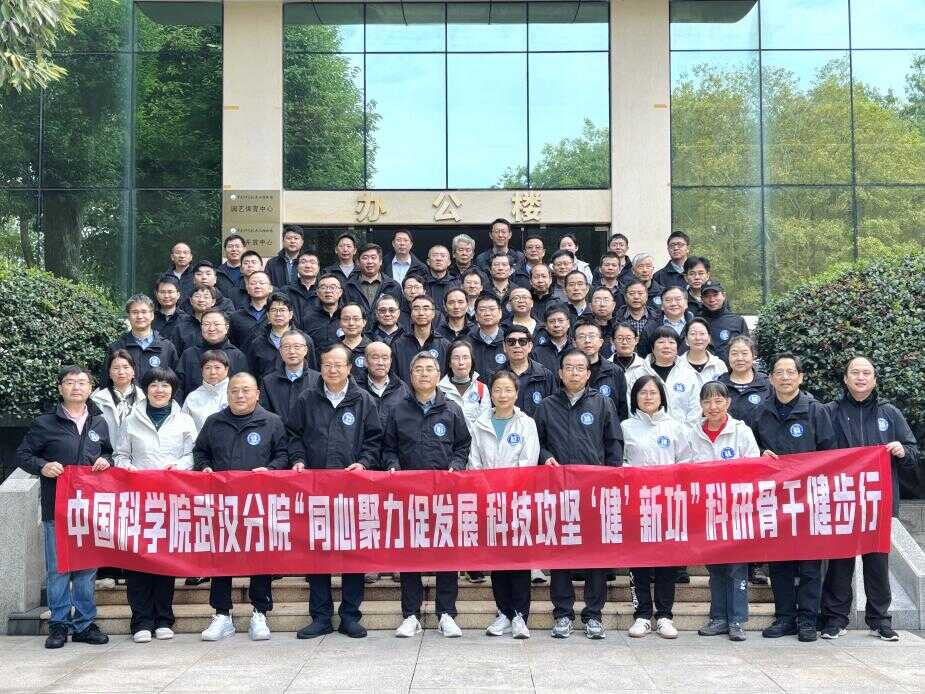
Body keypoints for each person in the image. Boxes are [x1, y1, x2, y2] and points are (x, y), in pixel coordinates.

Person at [287, 343, 384, 639]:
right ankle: (320, 616)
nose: (332, 370)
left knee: (353, 552)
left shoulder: (363, 399)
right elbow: (293, 435)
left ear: (349, 368)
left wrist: (364, 462)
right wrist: (298, 459)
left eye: (338, 365)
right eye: (327, 364)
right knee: (317, 552)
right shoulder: (307, 398)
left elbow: (375, 439)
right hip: (315, 488)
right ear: (320, 366)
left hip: (352, 489)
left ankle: (350, 615)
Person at [819, 356, 919, 642]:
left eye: (866, 373)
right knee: (840, 562)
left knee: (877, 562)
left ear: (874, 379)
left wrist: (902, 450)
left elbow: (913, 452)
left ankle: (880, 620)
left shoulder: (890, 413)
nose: (860, 377)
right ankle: (835, 619)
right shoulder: (830, 412)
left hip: (877, 502)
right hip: (842, 499)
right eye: (855, 372)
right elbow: (817, 451)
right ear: (845, 379)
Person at [16, 366, 112, 649]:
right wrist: (42, 466)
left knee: (87, 568)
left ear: (91, 389)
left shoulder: (99, 422)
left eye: (82, 382)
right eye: (70, 382)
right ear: (60, 388)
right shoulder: (45, 423)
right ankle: (58, 624)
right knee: (58, 568)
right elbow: (23, 454)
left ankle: (84, 624)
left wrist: (107, 460)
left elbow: (108, 451)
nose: (76, 387)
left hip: (89, 509)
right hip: (57, 508)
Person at [534, 349, 623, 640]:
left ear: (588, 373)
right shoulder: (546, 406)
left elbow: (613, 444)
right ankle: (563, 613)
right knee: (560, 553)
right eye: (569, 367)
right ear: (560, 373)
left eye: (579, 368)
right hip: (558, 492)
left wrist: (611, 480)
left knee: (595, 554)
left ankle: (593, 614)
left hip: (594, 492)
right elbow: (537, 443)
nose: (574, 372)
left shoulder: (602, 403)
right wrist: (545, 456)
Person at [193, 373, 289, 642]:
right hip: (222, 503)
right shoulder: (214, 422)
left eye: (246, 390)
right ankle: (222, 614)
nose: (240, 395)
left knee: (261, 556)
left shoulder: (271, 421)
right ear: (227, 394)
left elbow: (283, 454)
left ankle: (260, 612)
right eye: (234, 390)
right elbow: (200, 452)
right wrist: (204, 468)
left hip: (259, 502)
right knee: (221, 557)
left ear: (257, 393)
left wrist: (271, 469)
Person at [384, 352, 471, 639]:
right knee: (410, 555)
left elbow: (463, 445)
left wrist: (456, 465)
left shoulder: (452, 409)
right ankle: (410, 614)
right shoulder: (398, 409)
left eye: (429, 369)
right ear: (410, 376)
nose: (424, 374)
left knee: (447, 553)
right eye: (418, 369)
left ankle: (446, 613)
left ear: (438, 375)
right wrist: (393, 465)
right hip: (409, 495)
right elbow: (389, 448)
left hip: (444, 495)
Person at [753, 353, 837, 643]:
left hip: (810, 497)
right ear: (771, 378)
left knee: (810, 562)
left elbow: (830, 453)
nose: (785, 377)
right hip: (775, 498)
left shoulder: (816, 411)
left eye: (791, 372)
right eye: (779, 372)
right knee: (779, 562)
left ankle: (808, 619)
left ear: (801, 377)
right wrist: (760, 455)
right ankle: (785, 617)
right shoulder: (761, 412)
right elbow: (751, 449)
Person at [113, 367, 196, 643]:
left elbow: (192, 454)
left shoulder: (184, 420)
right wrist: (128, 469)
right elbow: (120, 455)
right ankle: (141, 621)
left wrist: (179, 466)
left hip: (171, 497)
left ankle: (163, 618)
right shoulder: (130, 419)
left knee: (165, 559)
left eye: (165, 385)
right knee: (137, 559)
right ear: (145, 389)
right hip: (137, 498)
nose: (159, 390)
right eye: (154, 385)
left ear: (173, 390)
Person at [469, 370, 540, 639]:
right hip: (489, 502)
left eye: (508, 390)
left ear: (516, 393)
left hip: (518, 501)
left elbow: (528, 462)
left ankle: (520, 616)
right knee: (497, 559)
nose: (502, 395)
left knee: (518, 558)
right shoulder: (480, 424)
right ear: (491, 394)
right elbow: (474, 463)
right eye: (497, 389)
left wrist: (509, 491)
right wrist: (488, 491)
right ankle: (503, 613)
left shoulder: (526, 424)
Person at [622, 375, 693, 639]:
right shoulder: (626, 427)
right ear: (635, 398)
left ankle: (664, 615)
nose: (648, 397)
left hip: (668, 503)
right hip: (637, 504)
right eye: (643, 393)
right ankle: (642, 615)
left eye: (653, 392)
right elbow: (619, 462)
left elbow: (686, 462)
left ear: (662, 396)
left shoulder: (675, 427)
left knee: (667, 561)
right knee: (638, 561)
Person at [690, 381, 760, 643]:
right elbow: (684, 469)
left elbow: (754, 468)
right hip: (706, 510)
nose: (713, 406)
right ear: (701, 405)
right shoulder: (693, 433)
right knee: (715, 567)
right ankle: (718, 617)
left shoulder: (741, 431)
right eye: (707, 401)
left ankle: (738, 620)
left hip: (736, 509)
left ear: (728, 403)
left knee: (736, 568)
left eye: (718, 401)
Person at [627, 327, 702, 426]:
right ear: (652, 347)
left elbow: (696, 409)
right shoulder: (638, 374)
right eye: (661, 342)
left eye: (671, 342)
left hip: (682, 433)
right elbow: (631, 406)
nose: (666, 346)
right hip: (644, 432)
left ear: (677, 348)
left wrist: (683, 432)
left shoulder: (688, 374)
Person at [104, 294, 178, 387]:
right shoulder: (116, 348)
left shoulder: (167, 348)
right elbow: (106, 382)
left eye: (144, 312)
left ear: (152, 315)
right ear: (128, 316)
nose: (139, 316)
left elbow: (176, 383)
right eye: (135, 312)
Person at [175, 310, 249, 400]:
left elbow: (244, 387)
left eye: (216, 324)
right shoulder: (189, 354)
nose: (211, 328)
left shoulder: (237, 356)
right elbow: (178, 387)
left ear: (226, 328)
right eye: (206, 324)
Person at [247, 292, 315, 380]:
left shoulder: (304, 340)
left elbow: (312, 372)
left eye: (282, 310)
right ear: (268, 315)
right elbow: (252, 374)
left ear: (290, 314)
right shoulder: (258, 342)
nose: (278, 314)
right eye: (274, 310)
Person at [258, 330, 320, 423]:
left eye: (297, 347)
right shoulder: (268, 382)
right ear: (280, 351)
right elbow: (265, 416)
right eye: (286, 347)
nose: (292, 351)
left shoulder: (319, 379)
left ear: (305, 350)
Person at [574, 319, 629, 420]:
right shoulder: (568, 371)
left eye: (591, 336)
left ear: (601, 342)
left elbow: (622, 408)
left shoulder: (615, 371)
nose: (587, 340)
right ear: (574, 343)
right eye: (582, 337)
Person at [390, 295, 450, 384]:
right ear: (411, 313)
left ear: (433, 314)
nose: (421, 313)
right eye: (416, 308)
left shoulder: (444, 345)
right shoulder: (398, 345)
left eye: (426, 309)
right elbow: (393, 378)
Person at [91, 349, 144, 447]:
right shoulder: (97, 399)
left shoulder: (144, 398)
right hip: (105, 453)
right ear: (109, 373)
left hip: (137, 453)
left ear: (133, 371)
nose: (121, 372)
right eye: (116, 368)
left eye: (126, 367)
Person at [501, 326, 557, 419]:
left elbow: (553, 410)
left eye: (522, 341)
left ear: (530, 346)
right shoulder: (497, 376)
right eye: (511, 342)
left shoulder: (545, 375)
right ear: (504, 346)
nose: (517, 345)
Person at [437, 340, 492, 434]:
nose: (461, 362)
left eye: (465, 357)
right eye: (456, 358)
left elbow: (485, 423)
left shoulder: (481, 389)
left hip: (475, 441)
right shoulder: (439, 390)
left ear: (472, 361)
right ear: (449, 363)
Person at [718, 336, 771, 428]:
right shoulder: (720, 385)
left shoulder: (766, 384)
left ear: (753, 356)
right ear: (728, 356)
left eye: (744, 353)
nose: (739, 358)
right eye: (734, 354)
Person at [357, 341, 411, 427]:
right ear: (365, 361)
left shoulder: (401, 388)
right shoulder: (356, 388)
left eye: (385, 358)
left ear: (390, 361)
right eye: (375, 358)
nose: (380, 363)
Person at [344, 243, 403, 317]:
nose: (370, 261)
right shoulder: (349, 286)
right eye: (365, 258)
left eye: (373, 257)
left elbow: (400, 314)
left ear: (380, 261)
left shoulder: (393, 286)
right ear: (358, 262)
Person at [700, 281, 749, 363]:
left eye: (715, 295)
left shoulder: (738, 321)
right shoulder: (697, 322)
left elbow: (747, 349)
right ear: (702, 299)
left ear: (723, 296)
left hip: (731, 369)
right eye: (707, 296)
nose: (712, 300)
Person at [181, 350, 230, 431]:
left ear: (226, 369)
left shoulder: (236, 393)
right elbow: (183, 427)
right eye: (208, 368)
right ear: (202, 371)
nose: (213, 372)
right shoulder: (193, 397)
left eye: (217, 367)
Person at [639, 286, 693, 357]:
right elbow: (643, 356)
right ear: (662, 305)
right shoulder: (650, 328)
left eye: (678, 299)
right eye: (668, 300)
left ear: (686, 304)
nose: (673, 304)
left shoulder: (696, 326)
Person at [229, 270, 273, 350]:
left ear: (270, 288)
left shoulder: (278, 314)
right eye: (253, 283)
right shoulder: (235, 317)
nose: (257, 286)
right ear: (248, 289)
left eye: (261, 283)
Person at [299, 273, 344, 350]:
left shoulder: (347, 316)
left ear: (340, 292)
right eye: (323, 287)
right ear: (317, 292)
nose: (328, 291)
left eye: (333, 287)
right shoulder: (308, 318)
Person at [467, 294, 508, 379]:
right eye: (482, 310)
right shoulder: (467, 343)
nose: (487, 313)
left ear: (500, 313)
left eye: (492, 309)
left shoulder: (509, 341)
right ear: (476, 316)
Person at [679, 318, 728, 384]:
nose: (698, 338)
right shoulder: (677, 365)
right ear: (686, 339)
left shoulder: (719, 365)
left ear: (709, 338)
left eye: (702, 333)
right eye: (693, 334)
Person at [532, 305, 574, 375]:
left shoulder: (575, 348)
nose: (556, 325)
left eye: (560, 321)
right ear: (546, 326)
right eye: (552, 321)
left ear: (568, 323)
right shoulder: (536, 352)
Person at [287, 249, 321, 325]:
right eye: (303, 262)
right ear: (297, 267)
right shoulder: (287, 291)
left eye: (312, 262)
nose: (308, 266)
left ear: (318, 268)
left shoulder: (325, 291)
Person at [152, 275, 186, 350]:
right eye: (162, 292)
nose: (166, 296)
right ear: (156, 294)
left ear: (178, 294)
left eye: (170, 292)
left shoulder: (186, 320)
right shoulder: (149, 318)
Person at [425, 245, 459, 309]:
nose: (439, 259)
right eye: (435, 255)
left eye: (443, 256)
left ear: (449, 262)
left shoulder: (457, 283)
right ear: (428, 262)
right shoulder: (420, 283)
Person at [339, 303, 370, 371]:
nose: (351, 323)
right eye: (346, 319)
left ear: (364, 322)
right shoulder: (334, 350)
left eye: (356, 319)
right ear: (340, 322)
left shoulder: (372, 349)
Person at [215, 234, 246, 300]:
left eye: (237, 246)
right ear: (225, 250)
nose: (234, 249)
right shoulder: (216, 273)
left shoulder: (251, 272)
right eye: (230, 246)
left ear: (244, 249)